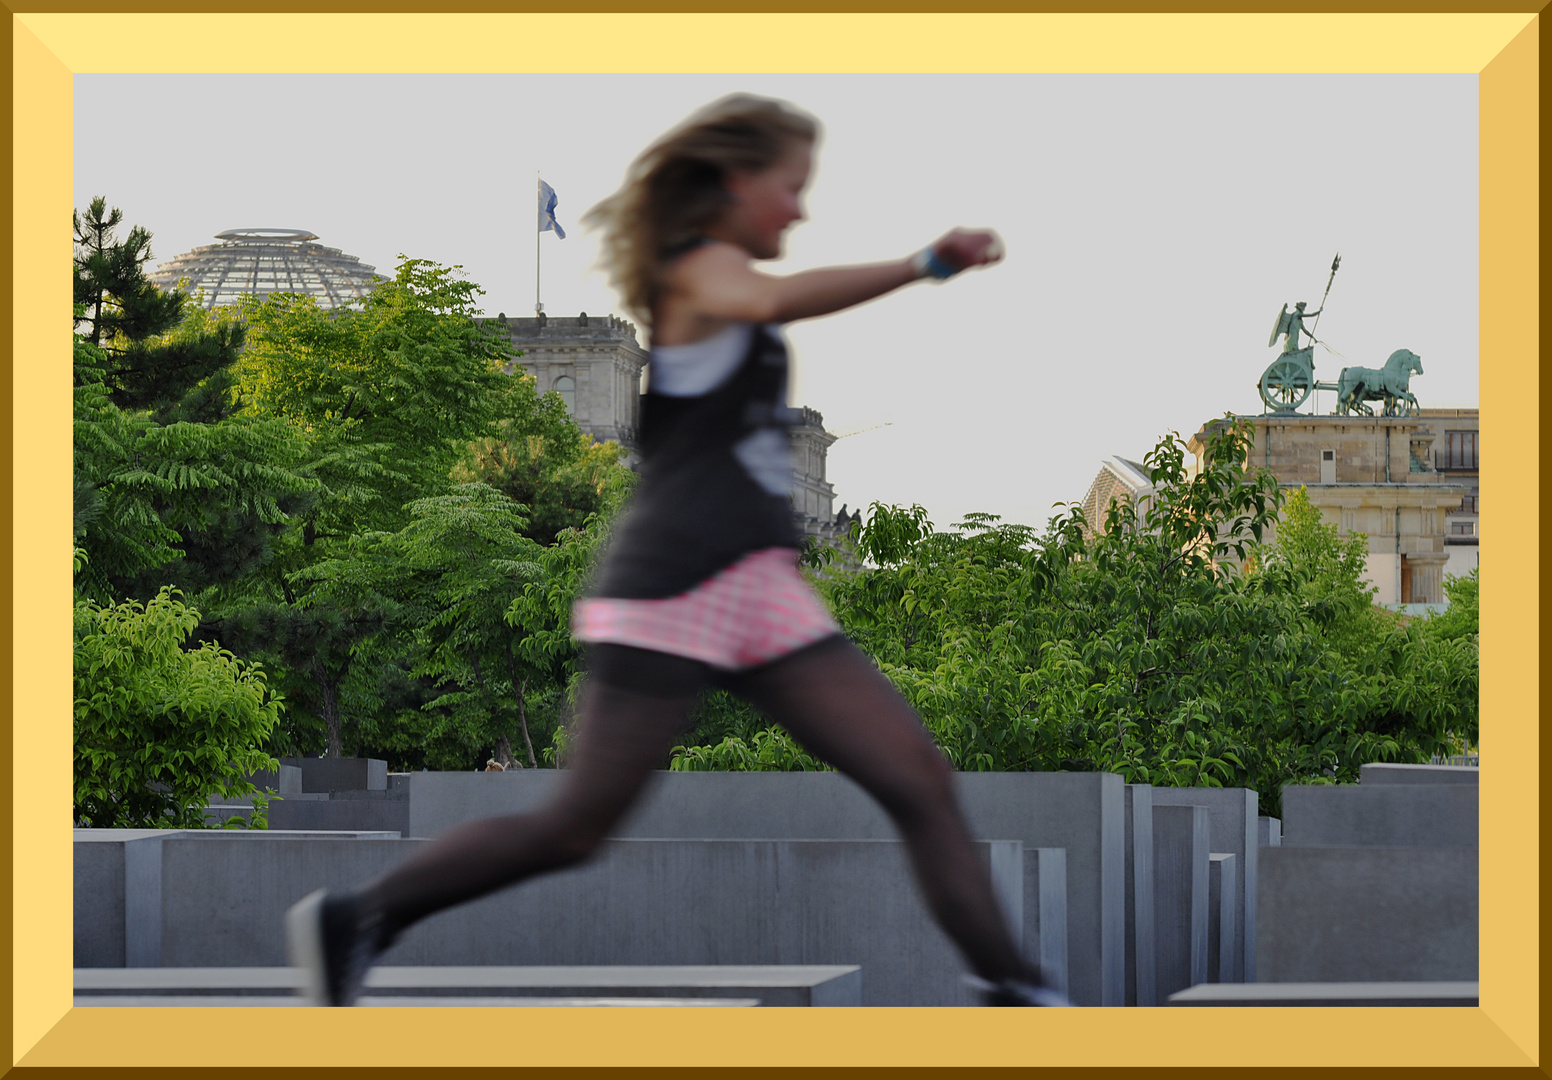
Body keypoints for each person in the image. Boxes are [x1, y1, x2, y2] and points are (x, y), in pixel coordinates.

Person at [286, 92, 1069, 1008]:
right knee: (577, 824)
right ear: (735, 185)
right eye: (792, 188)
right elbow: (777, 296)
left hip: (761, 586)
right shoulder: (695, 275)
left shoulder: (726, 286)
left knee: (919, 779)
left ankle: (1016, 992)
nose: (801, 210)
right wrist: (923, 263)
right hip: (671, 586)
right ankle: (358, 917)